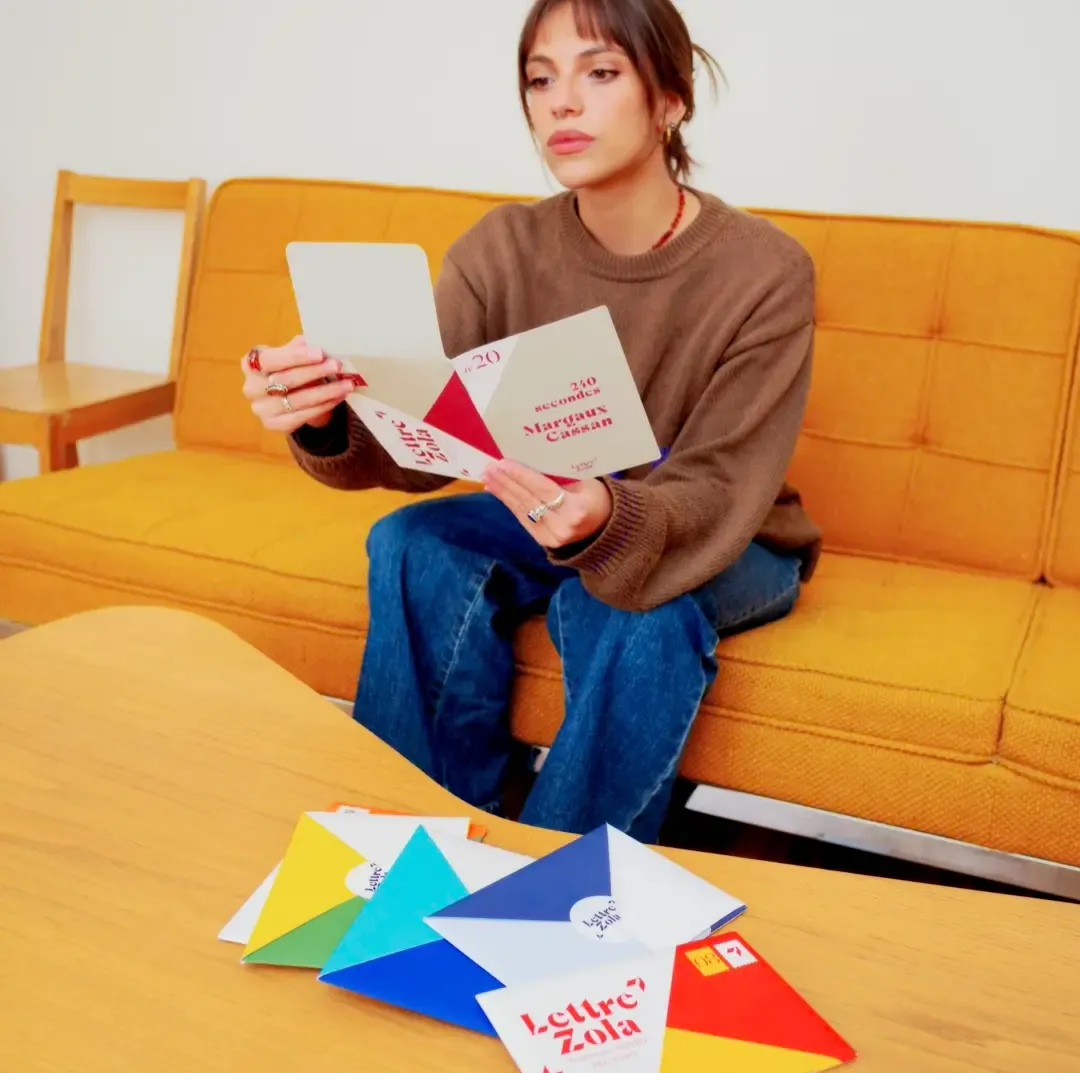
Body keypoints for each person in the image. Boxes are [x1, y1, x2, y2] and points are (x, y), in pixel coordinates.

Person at [240, 0, 821, 843]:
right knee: (413, 543)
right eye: (540, 80)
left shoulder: (765, 271)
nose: (561, 103)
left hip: (722, 531)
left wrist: (610, 516)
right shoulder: (500, 247)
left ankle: (556, 893)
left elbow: (723, 481)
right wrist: (327, 417)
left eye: (600, 73)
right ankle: (408, 848)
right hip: (545, 505)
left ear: (670, 101)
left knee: (629, 606)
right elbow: (424, 430)